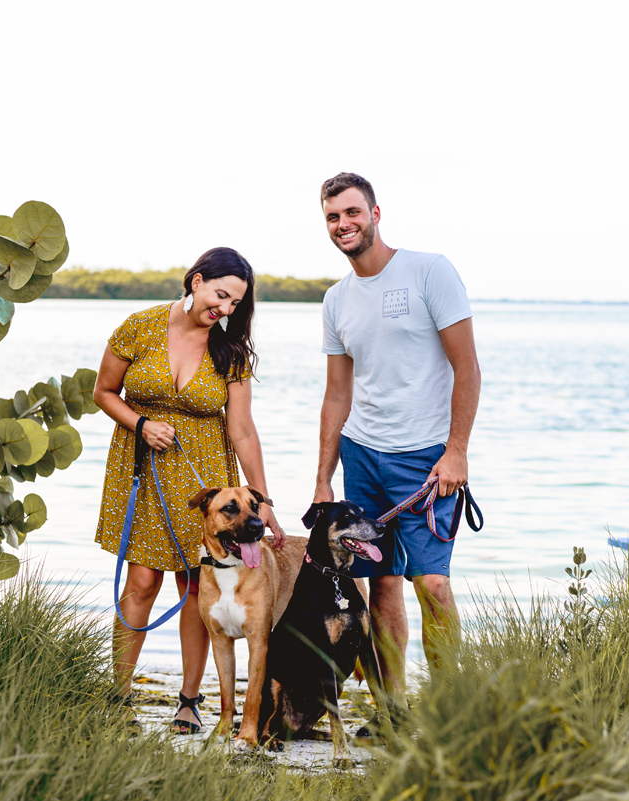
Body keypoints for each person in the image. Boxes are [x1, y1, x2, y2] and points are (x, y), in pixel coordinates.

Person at [312, 173, 481, 731]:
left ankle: (449, 706)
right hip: (363, 454)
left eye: (352, 213)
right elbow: (338, 395)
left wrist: (455, 452)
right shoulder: (336, 301)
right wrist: (323, 480)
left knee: (432, 585)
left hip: (426, 459)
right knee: (380, 583)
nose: (344, 224)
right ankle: (393, 712)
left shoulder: (430, 271)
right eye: (334, 216)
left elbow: (467, 368)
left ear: (376, 213)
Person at [93, 246, 286, 735]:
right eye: (220, 295)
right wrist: (140, 424)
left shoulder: (231, 353)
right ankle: (117, 697)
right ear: (196, 281)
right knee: (141, 583)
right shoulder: (139, 326)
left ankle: (189, 700)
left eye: (235, 304)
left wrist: (264, 504)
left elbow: (242, 430)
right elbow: (103, 392)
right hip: (141, 469)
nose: (224, 309)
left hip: (204, 480)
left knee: (196, 587)